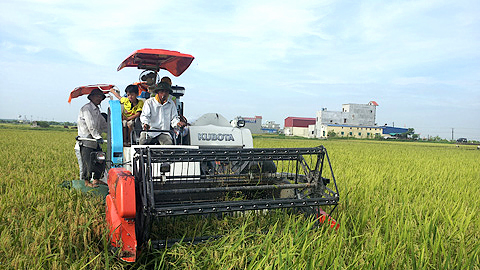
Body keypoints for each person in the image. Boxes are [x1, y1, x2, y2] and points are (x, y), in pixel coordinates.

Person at [77, 88, 108, 187]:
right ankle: (86, 181)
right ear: (91, 97)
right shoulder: (87, 109)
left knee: (101, 159)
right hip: (87, 140)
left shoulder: (97, 110)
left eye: (101, 97)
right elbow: (91, 124)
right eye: (97, 96)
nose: (99, 99)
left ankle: (96, 179)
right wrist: (97, 136)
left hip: (95, 141)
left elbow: (103, 124)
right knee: (88, 161)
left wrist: (112, 133)